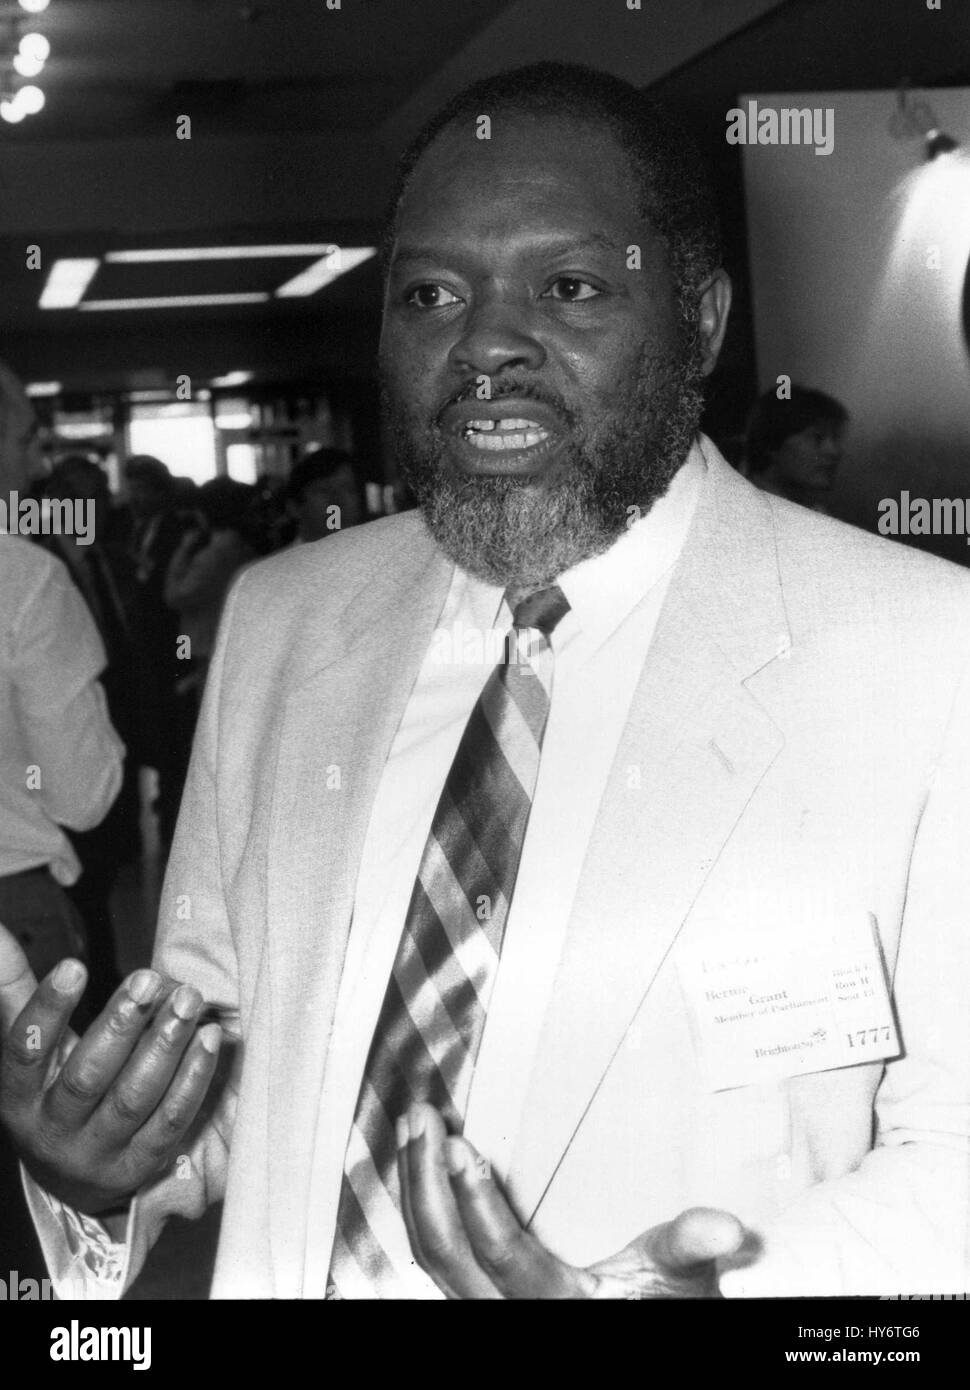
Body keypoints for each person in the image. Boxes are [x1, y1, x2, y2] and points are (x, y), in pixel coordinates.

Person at [1, 63, 969, 1301]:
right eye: (432, 293)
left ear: (705, 320)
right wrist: (111, 1159)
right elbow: (235, 1069)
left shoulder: (918, 653)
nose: (488, 343)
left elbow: (951, 1155)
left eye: (569, 287)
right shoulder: (285, 622)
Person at [742, 385, 848, 512]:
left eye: (836, 438)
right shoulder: (744, 508)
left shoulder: (813, 510)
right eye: (817, 437)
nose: (834, 451)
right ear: (772, 442)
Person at [285, 447, 366, 544]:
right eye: (323, 490)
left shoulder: (380, 555)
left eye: (348, 489)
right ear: (294, 507)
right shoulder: (282, 559)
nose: (337, 501)